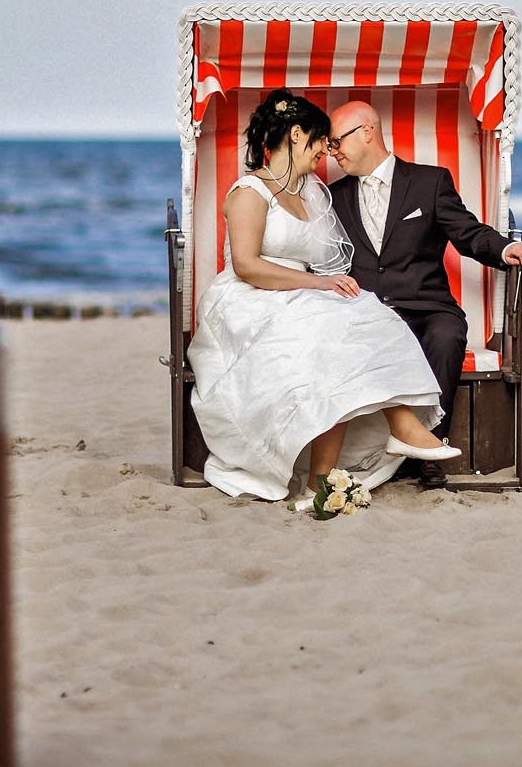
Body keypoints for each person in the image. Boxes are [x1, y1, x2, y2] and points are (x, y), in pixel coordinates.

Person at [187, 89, 461, 505]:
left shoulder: (311, 191)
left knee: (363, 316)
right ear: (296, 135)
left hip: (299, 295)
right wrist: (318, 286)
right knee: (330, 335)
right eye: (320, 141)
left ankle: (327, 477)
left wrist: (333, 285)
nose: (326, 153)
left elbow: (330, 260)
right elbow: (246, 265)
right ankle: (396, 431)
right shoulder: (250, 191)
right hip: (250, 297)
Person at [326, 99, 522, 488]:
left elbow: (467, 232)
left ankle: (429, 448)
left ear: (367, 132)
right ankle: (400, 444)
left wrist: (505, 248)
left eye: (337, 142)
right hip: (367, 312)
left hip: (426, 306)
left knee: (446, 334)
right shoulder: (332, 198)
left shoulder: (429, 182)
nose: (333, 152)